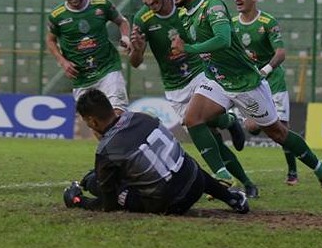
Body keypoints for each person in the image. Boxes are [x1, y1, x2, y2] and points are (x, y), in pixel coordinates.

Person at [168, 0, 322, 202]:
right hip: (217, 79)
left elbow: (223, 40)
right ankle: (223, 174)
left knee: (278, 133)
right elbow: (192, 44)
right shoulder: (185, 16)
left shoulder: (213, 6)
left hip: (245, 82)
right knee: (192, 119)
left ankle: (320, 168)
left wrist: (189, 49)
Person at [128, 0, 258, 198]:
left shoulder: (183, 10)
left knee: (200, 122)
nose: (149, 1)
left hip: (199, 74)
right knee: (213, 138)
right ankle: (231, 128)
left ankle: (239, 179)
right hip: (174, 85)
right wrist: (136, 49)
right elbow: (135, 62)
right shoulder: (142, 19)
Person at [62, 88, 250, 215]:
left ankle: (81, 193)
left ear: (92, 121)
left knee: (96, 183)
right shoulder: (143, 117)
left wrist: (78, 201)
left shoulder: (106, 150)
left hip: (173, 204)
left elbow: (108, 205)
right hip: (196, 181)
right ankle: (233, 199)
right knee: (184, 162)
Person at [232, 0, 299, 186]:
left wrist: (265, 70)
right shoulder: (231, 24)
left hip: (273, 81)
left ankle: (293, 171)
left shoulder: (268, 22)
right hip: (249, 83)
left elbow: (281, 53)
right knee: (252, 128)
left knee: (282, 132)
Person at [45, 0, 131, 115]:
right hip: (82, 78)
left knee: (117, 114)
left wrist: (125, 37)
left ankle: (124, 137)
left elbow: (122, 22)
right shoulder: (56, 16)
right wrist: (63, 62)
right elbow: (50, 40)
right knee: (96, 124)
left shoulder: (102, 5)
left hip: (108, 69)